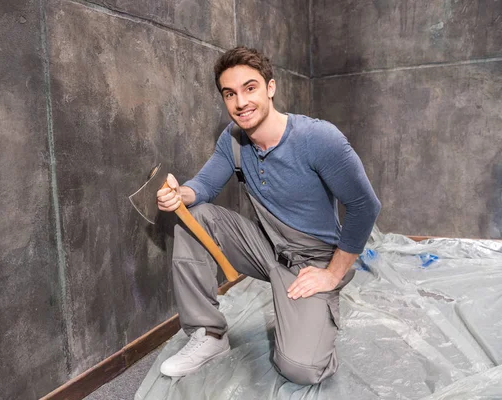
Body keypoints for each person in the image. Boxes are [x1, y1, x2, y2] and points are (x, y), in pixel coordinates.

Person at [156, 46, 381, 385]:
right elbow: (203, 185)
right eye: (230, 94)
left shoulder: (318, 138)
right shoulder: (233, 140)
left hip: (312, 260)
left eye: (250, 88)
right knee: (196, 216)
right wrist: (179, 195)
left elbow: (366, 205)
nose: (241, 102)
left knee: (302, 369)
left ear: (270, 87)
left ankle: (315, 316)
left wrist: (332, 275)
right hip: (267, 247)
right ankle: (209, 335)